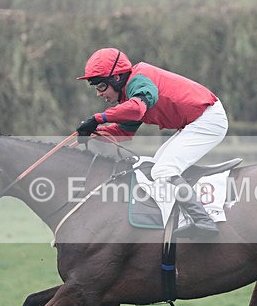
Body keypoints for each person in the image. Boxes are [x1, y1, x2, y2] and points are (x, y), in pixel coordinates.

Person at [75, 48, 228, 238]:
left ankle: (203, 221)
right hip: (195, 122)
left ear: (116, 78)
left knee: (163, 170)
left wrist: (98, 118)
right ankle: (184, 217)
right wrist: (95, 133)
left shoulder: (139, 81)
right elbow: (124, 133)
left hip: (208, 119)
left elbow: (137, 109)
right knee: (157, 168)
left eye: (100, 86)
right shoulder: (129, 95)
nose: (98, 94)